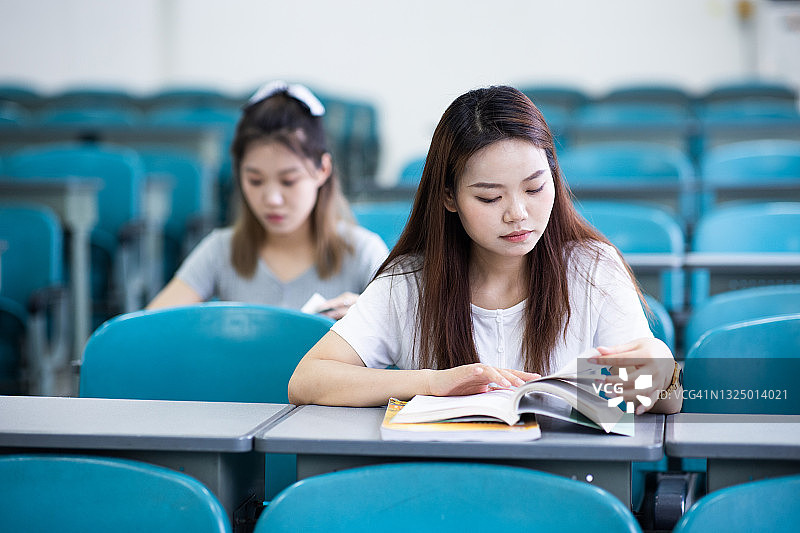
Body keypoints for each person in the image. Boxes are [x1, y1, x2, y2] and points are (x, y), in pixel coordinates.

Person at [289, 85, 682, 414]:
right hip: (441, 486)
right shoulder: (410, 282)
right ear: (449, 197)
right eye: (490, 198)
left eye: (534, 188)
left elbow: (670, 399)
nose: (518, 214)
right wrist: (433, 383)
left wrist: (656, 368)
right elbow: (308, 380)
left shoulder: (592, 268)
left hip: (564, 483)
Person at [147, 81, 388, 319]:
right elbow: (147, 328)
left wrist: (373, 321)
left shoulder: (363, 252)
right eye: (255, 180)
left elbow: (411, 338)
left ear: (322, 170)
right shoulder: (221, 251)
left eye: (289, 181)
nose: (272, 199)